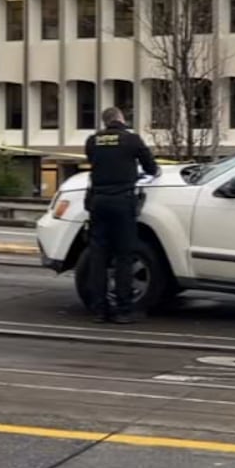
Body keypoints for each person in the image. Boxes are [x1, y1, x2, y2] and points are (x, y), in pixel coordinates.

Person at [84, 106, 160, 323]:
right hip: (122, 201)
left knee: (98, 257)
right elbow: (151, 168)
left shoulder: (92, 141)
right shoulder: (131, 139)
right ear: (120, 118)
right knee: (124, 256)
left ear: (105, 122)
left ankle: (99, 309)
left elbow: (95, 163)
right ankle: (124, 310)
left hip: (98, 201)